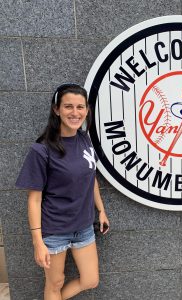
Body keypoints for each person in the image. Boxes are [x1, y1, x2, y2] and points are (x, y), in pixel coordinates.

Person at [16, 83, 109, 300]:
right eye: (68, 107)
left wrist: (101, 210)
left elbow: (91, 178)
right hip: (55, 231)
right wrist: (37, 242)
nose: (75, 113)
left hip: (84, 227)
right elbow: (34, 200)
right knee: (55, 283)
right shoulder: (41, 150)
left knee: (90, 280)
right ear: (56, 109)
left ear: (87, 110)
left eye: (80, 107)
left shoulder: (85, 140)